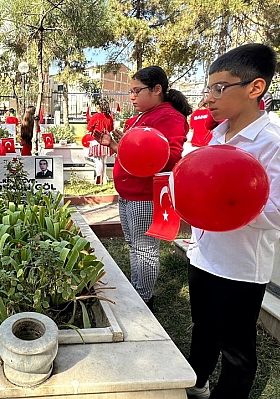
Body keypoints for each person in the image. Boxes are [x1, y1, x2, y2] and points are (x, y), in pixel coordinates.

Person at [184, 44, 280, 399]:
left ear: (255, 88)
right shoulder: (218, 136)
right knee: (202, 328)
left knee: (235, 349)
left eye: (220, 88)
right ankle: (197, 383)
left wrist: (227, 209)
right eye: (209, 88)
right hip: (204, 254)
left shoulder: (276, 144)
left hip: (240, 267)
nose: (209, 97)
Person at [94, 66, 191, 311]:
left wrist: (129, 145)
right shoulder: (141, 117)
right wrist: (115, 145)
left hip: (144, 196)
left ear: (157, 89)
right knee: (133, 244)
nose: (132, 97)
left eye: (137, 90)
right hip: (129, 193)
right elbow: (135, 155)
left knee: (145, 249)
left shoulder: (168, 117)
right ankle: (137, 289)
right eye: (131, 91)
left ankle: (143, 297)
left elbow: (169, 158)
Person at [86, 99, 114, 184]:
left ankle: (99, 179)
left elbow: (89, 127)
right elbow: (111, 128)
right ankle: (104, 178)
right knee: (104, 160)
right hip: (107, 140)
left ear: (99, 106)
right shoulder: (109, 117)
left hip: (97, 140)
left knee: (98, 160)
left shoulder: (96, 116)